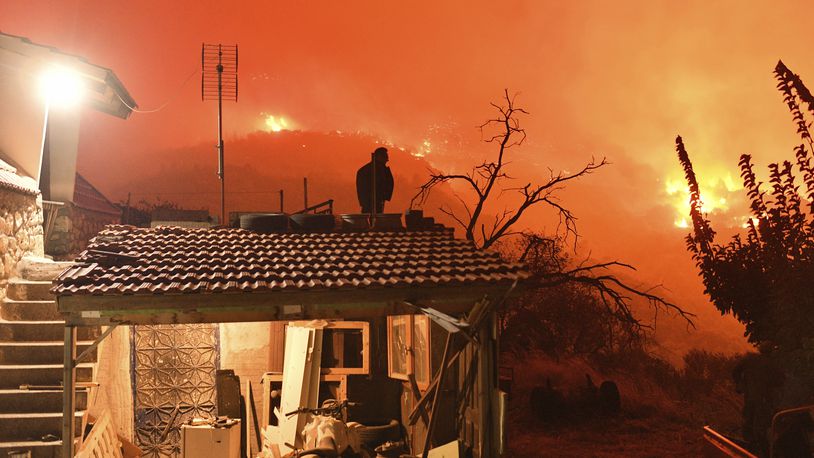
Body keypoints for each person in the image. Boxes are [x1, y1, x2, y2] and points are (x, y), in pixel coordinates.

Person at [356, 147, 394, 214]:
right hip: (370, 203)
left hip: (375, 202)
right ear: (379, 157)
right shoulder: (371, 171)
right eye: (385, 158)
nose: (387, 160)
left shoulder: (365, 170)